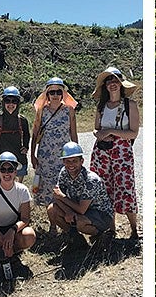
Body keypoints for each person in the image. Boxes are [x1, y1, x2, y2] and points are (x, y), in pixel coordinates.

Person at [91, 67, 141, 239]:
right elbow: (96, 128)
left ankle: (134, 228)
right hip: (101, 152)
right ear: (105, 86)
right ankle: (111, 229)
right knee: (105, 188)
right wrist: (100, 135)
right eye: (109, 81)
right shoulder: (101, 107)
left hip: (122, 152)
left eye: (115, 81)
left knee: (126, 187)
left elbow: (133, 133)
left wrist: (111, 132)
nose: (112, 84)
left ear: (121, 84)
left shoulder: (130, 105)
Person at [46, 142, 114, 251]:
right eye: (67, 161)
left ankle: (101, 236)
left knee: (80, 222)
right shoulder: (64, 172)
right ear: (63, 162)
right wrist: (68, 211)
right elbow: (56, 196)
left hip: (100, 214)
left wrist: (63, 198)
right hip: (78, 209)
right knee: (51, 210)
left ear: (82, 161)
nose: (71, 164)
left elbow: (80, 209)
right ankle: (76, 239)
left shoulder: (91, 180)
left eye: (74, 161)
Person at [0, 152, 37, 280]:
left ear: (15, 172)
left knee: (29, 235)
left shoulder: (22, 190)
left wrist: (12, 231)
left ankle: (11, 254)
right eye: (3, 169)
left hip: (14, 229)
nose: (7, 173)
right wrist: (4, 241)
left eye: (10, 169)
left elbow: (25, 219)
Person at [30, 77, 78, 207]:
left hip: (64, 155)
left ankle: (62, 215)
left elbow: (73, 133)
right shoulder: (42, 110)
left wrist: (77, 155)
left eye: (58, 92)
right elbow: (35, 133)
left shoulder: (69, 110)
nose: (55, 95)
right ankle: (51, 218)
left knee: (63, 184)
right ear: (47, 94)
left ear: (63, 94)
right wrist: (32, 155)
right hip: (45, 155)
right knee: (46, 184)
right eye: (52, 92)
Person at [0, 86, 31, 182]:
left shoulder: (22, 120)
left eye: (14, 101)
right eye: (7, 101)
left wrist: (26, 146)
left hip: (19, 158)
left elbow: (27, 135)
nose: (11, 104)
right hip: (1, 159)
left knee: (18, 189)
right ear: (3, 103)